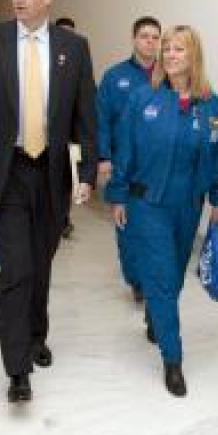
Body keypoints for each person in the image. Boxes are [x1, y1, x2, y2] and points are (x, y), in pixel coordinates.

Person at [0, 0, 97, 403]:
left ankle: (37, 335)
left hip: (52, 174)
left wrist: (88, 173)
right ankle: (17, 368)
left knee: (41, 262)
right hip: (7, 172)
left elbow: (85, 116)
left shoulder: (74, 49)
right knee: (16, 266)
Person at [107, 25, 218, 397]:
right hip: (147, 205)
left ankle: (154, 317)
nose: (171, 55)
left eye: (179, 49)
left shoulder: (212, 106)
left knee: (174, 277)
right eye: (167, 49)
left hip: (187, 207)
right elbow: (124, 151)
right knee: (161, 277)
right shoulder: (144, 99)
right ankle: (173, 359)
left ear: (194, 55)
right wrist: (118, 196)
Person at [96, 16, 161, 315]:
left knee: (155, 229)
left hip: (157, 168)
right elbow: (102, 121)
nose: (150, 41)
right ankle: (135, 278)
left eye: (155, 37)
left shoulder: (168, 76)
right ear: (134, 39)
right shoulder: (115, 77)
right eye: (144, 36)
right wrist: (103, 157)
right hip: (123, 166)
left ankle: (151, 283)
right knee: (126, 229)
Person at [54, 16, 78, 241]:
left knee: (69, 181)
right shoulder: (44, 65)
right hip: (49, 138)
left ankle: (64, 218)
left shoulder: (80, 62)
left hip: (72, 139)